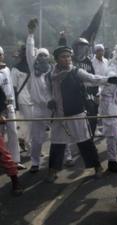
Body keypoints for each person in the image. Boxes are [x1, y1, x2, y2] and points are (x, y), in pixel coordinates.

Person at [45, 46, 117, 182]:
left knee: (85, 142)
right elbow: (48, 91)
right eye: (63, 57)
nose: (67, 59)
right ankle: (53, 171)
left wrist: (109, 80)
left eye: (68, 56)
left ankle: (97, 167)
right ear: (57, 59)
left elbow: (93, 79)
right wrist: (50, 101)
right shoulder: (50, 76)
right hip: (59, 114)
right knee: (57, 144)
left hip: (76, 113)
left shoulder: (76, 71)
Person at [25, 19, 53, 173]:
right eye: (39, 55)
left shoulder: (51, 71)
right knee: (37, 138)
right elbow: (29, 51)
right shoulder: (33, 70)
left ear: (48, 58)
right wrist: (30, 34)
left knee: (58, 134)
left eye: (44, 55)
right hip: (37, 109)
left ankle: (64, 158)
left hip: (51, 109)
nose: (42, 57)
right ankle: (35, 162)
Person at [1, 46, 25, 170]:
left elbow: (10, 90)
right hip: (0, 109)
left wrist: (14, 106)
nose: (0, 57)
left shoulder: (7, 70)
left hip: (10, 106)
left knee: (13, 133)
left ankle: (15, 160)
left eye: (1, 55)